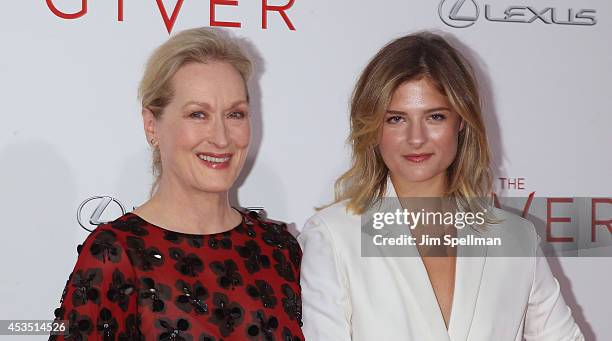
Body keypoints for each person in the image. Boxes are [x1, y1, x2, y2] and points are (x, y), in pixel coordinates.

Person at [298, 32, 584, 341]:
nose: (416, 138)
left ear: (460, 121)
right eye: (396, 119)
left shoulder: (515, 238)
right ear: (372, 126)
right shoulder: (333, 237)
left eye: (434, 116)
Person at [50, 27, 304, 341]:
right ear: (151, 125)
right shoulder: (117, 253)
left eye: (235, 114)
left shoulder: (279, 247)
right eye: (198, 114)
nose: (221, 137)